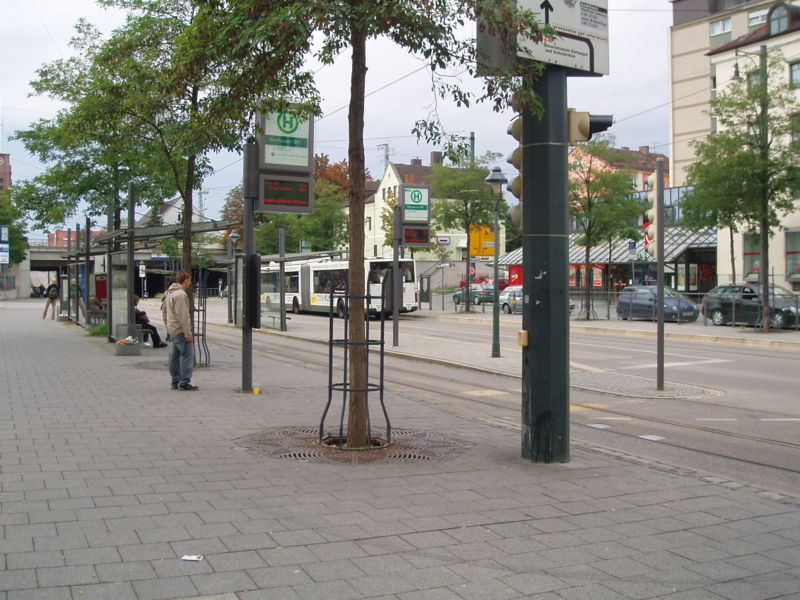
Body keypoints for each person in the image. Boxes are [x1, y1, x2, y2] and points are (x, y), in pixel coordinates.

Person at [162, 270, 197, 391]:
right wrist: (188, 333)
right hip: (180, 330)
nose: (190, 283)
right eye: (190, 281)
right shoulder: (181, 295)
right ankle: (184, 381)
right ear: (186, 280)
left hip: (172, 329)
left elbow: (164, 311)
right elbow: (183, 316)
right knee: (186, 355)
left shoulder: (169, 293)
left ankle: (175, 380)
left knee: (174, 356)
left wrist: (168, 326)